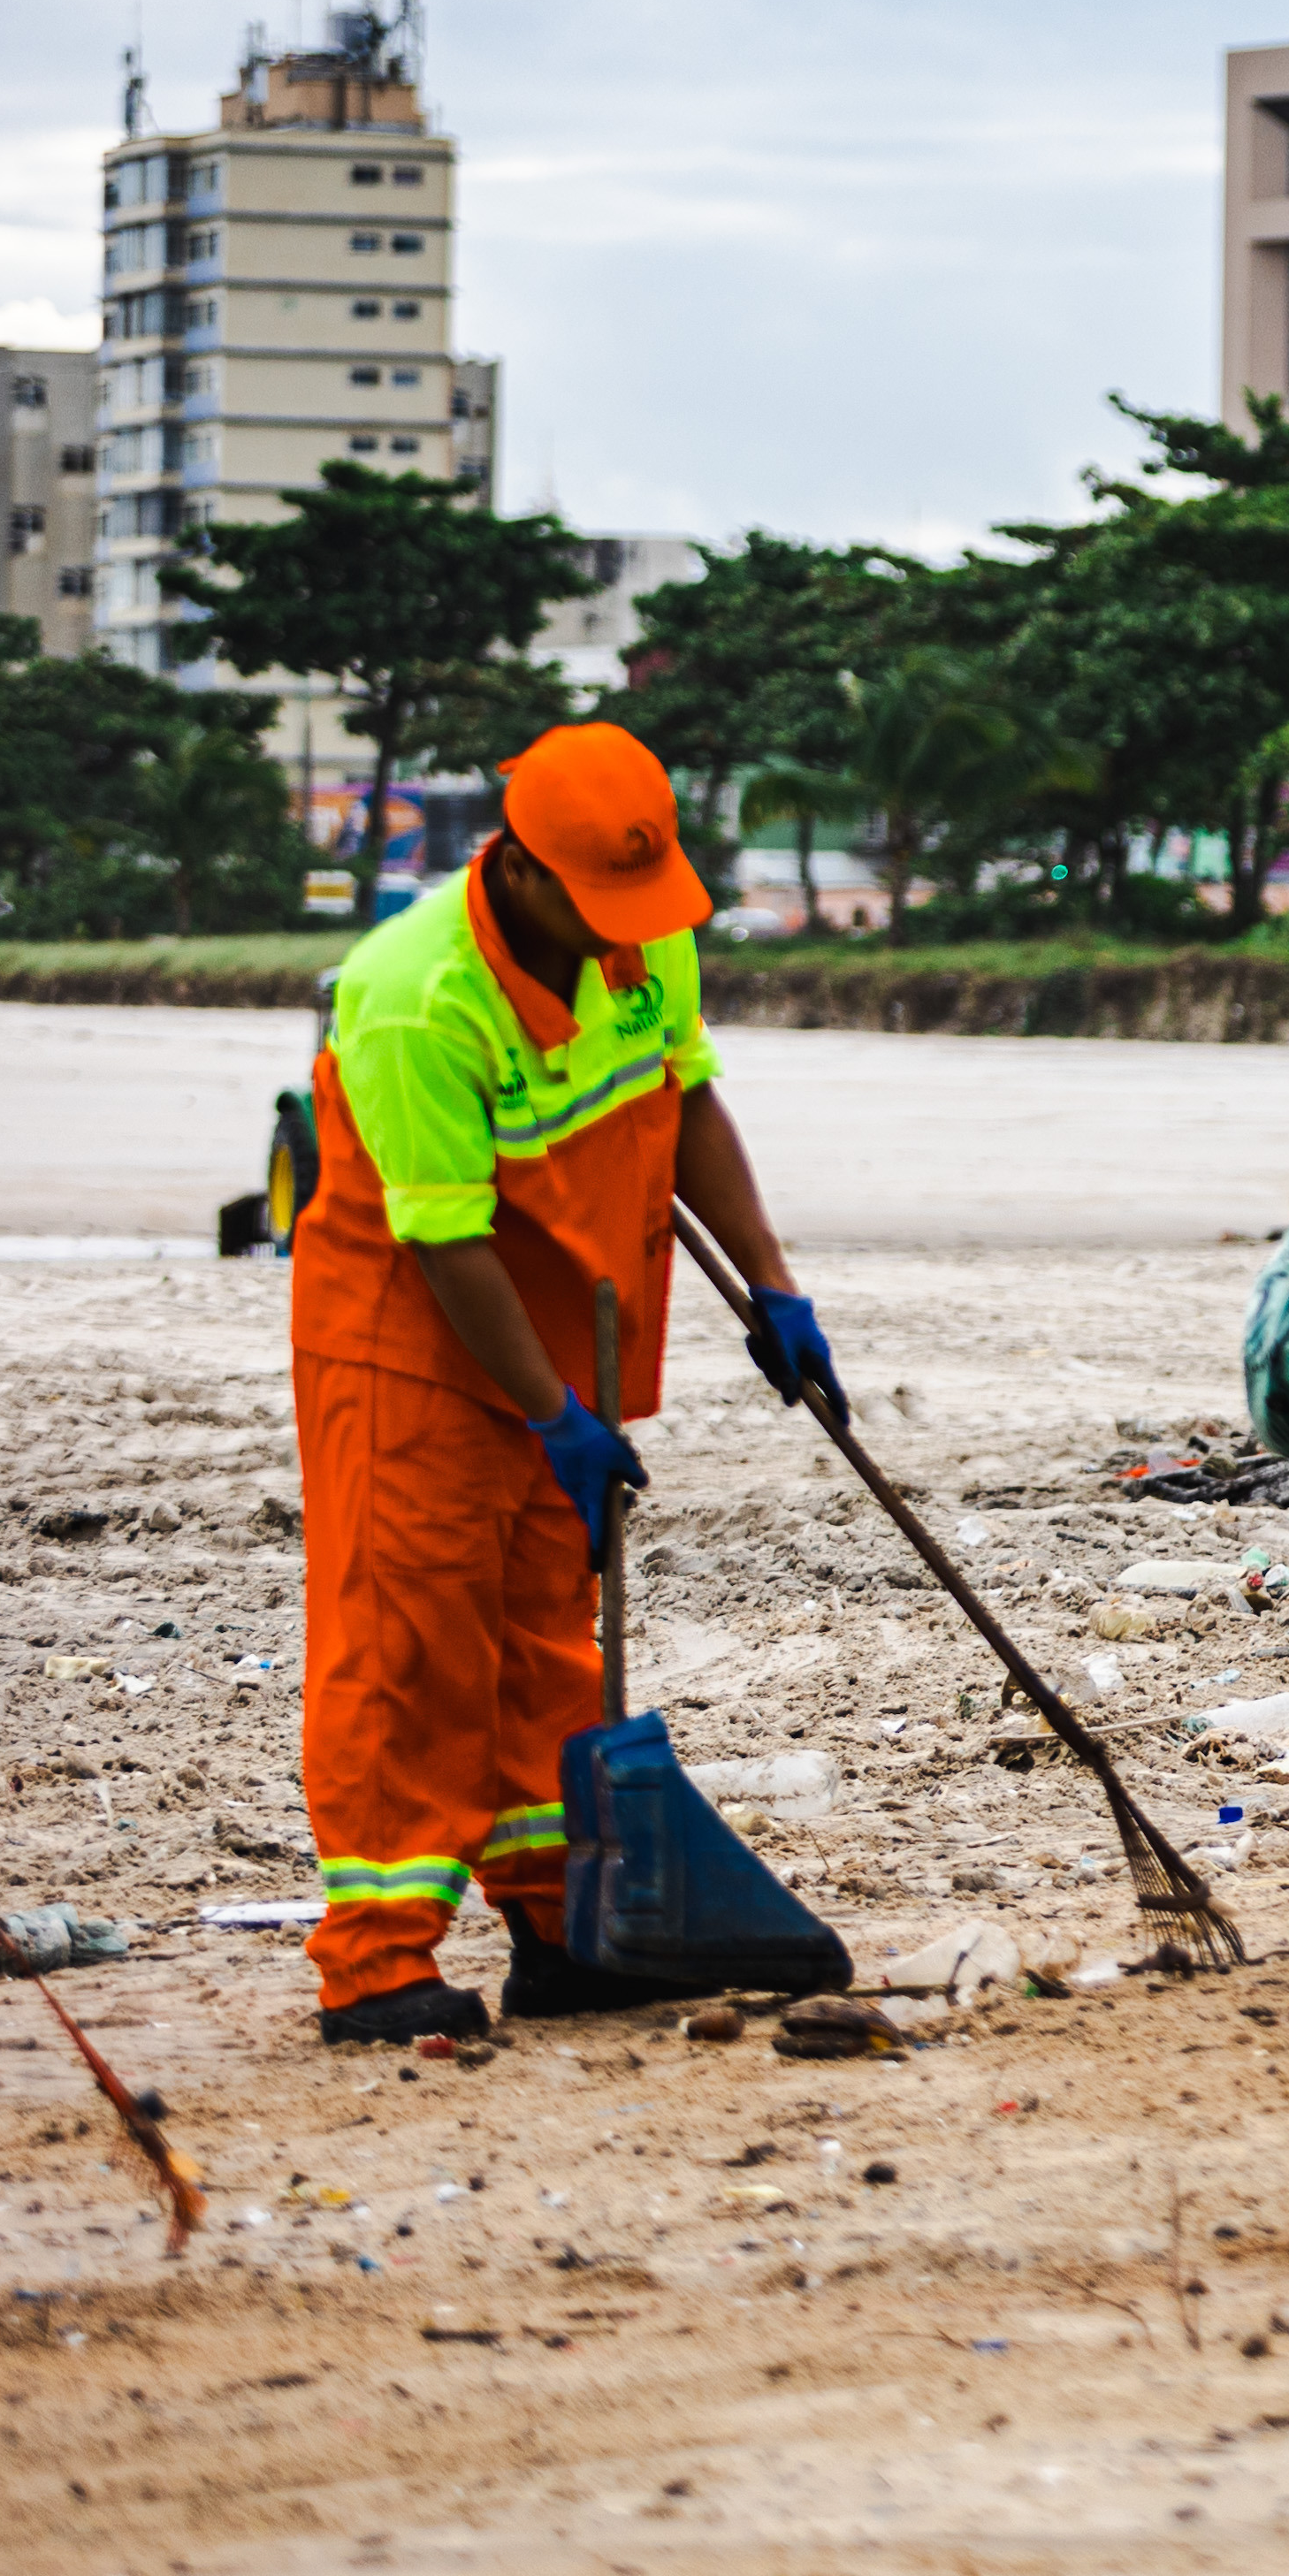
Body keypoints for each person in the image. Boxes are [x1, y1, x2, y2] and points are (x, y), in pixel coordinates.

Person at [284, 723, 841, 2046]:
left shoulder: (645, 935)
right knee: (409, 1644)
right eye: (598, 909)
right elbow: (443, 1239)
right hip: (410, 1344)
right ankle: (375, 1959)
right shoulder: (417, 996)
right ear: (522, 869)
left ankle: (563, 1926)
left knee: (544, 1637)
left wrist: (774, 1285)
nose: (623, 937)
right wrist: (550, 1414)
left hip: (560, 1342)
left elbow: (685, 1100)